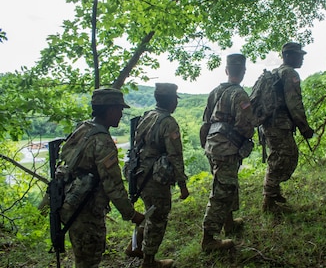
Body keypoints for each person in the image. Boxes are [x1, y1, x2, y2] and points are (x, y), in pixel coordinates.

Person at [59, 88, 146, 268]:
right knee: (89, 261)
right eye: (119, 109)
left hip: (70, 202)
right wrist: (131, 214)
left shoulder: (83, 129)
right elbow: (112, 185)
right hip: (86, 210)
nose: (121, 114)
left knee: (83, 258)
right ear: (110, 110)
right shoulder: (103, 141)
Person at [125, 83, 189, 268]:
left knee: (150, 211)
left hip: (138, 173)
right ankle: (149, 261)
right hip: (153, 176)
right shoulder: (168, 122)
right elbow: (175, 155)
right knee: (159, 216)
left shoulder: (148, 116)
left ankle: (134, 246)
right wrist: (182, 185)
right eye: (175, 100)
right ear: (171, 101)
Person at [200, 53, 255, 252]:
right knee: (222, 192)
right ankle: (208, 239)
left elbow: (206, 121)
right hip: (227, 148)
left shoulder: (215, 91)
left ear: (226, 71)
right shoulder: (240, 95)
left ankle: (229, 223)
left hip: (212, 145)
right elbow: (245, 125)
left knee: (227, 185)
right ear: (243, 72)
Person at [261, 42, 314, 213]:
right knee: (286, 157)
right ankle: (268, 200)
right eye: (300, 55)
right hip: (279, 125)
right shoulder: (290, 73)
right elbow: (294, 104)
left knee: (277, 157)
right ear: (289, 56)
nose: (303, 59)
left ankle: (273, 193)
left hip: (269, 124)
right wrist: (304, 127)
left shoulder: (275, 73)